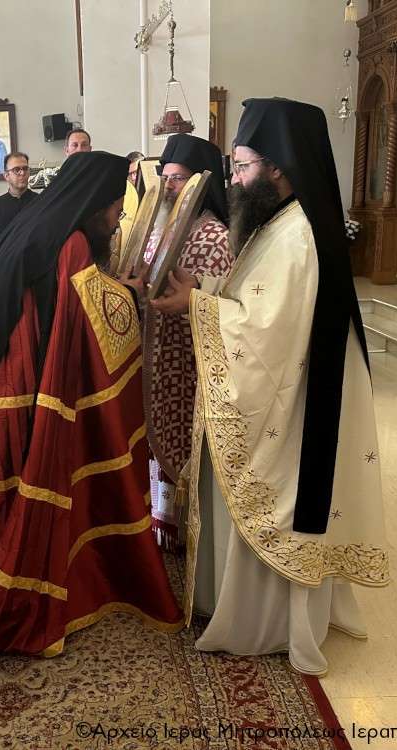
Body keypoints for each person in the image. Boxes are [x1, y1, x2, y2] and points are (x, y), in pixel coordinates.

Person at [0, 151, 183, 656]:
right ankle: (27, 569)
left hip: (3, 368)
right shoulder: (70, 242)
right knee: (30, 469)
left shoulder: (40, 224)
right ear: (95, 203)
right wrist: (130, 296)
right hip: (23, 373)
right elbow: (91, 313)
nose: (116, 218)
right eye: (115, 207)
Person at [152, 98, 390, 675]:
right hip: (290, 392)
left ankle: (262, 620)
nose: (234, 179)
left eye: (242, 166)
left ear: (277, 166)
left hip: (292, 409)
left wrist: (196, 307)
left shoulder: (297, 235)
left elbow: (265, 334)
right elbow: (251, 300)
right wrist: (203, 291)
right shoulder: (277, 223)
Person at [135, 134, 233, 552]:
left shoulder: (215, 236)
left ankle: (189, 529)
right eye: (166, 177)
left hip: (190, 363)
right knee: (156, 443)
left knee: (188, 443)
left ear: (200, 184)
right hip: (157, 356)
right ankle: (163, 521)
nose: (169, 186)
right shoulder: (160, 230)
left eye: (179, 179)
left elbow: (222, 304)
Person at [0, 151, 37, 267]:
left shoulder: (41, 203)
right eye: (16, 170)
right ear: (6, 176)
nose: (22, 173)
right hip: (3, 270)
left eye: (25, 169)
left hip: (35, 269)